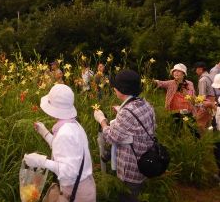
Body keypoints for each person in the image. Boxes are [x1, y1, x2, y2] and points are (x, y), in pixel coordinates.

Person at [23, 84, 96, 201]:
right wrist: (45, 133)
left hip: (75, 193)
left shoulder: (65, 133)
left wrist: (41, 161)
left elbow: (69, 171)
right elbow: (63, 150)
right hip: (83, 185)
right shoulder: (72, 125)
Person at [93, 69, 155, 202]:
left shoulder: (127, 112)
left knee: (128, 196)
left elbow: (110, 137)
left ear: (122, 89)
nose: (114, 89)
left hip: (131, 166)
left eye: (115, 86)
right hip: (145, 159)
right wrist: (121, 110)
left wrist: (102, 120)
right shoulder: (145, 104)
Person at [194, 62, 215, 131]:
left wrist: (199, 107)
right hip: (213, 102)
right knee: (209, 123)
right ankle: (209, 139)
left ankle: (202, 140)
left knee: (199, 122)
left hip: (206, 102)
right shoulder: (211, 76)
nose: (195, 71)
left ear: (200, 69)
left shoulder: (202, 80)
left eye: (196, 69)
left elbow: (202, 96)